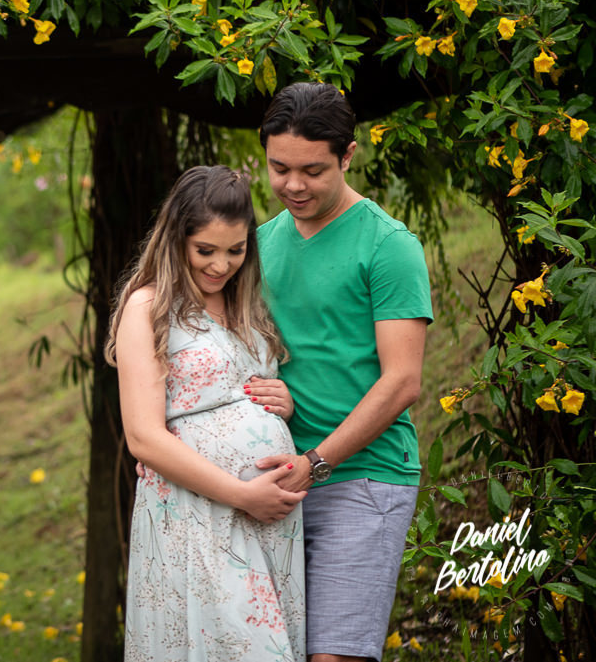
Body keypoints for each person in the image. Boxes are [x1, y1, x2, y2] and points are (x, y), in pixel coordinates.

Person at [252, 82, 433, 662]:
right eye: (279, 168)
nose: (294, 185)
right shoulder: (256, 245)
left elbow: (402, 381)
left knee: (334, 657)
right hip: (272, 481)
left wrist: (317, 463)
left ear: (348, 156)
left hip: (363, 476)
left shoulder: (389, 245)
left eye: (313, 170)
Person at [108, 165, 307, 662]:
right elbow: (145, 438)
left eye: (235, 250)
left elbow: (237, 389)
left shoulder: (246, 306)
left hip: (269, 521)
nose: (221, 265)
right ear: (177, 240)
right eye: (206, 251)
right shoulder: (149, 308)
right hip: (201, 514)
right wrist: (243, 494)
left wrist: (282, 402)